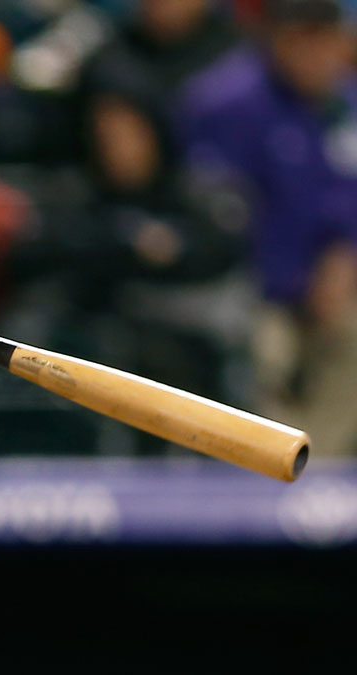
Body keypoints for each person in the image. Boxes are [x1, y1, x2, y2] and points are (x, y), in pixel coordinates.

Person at [178, 0, 357, 455]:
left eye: (327, 39)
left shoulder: (344, 103)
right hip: (248, 290)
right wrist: (294, 282)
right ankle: (275, 484)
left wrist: (344, 255)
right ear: (278, 39)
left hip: (333, 289)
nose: (320, 55)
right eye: (305, 40)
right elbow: (216, 222)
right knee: (264, 350)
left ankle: (319, 480)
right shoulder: (225, 102)